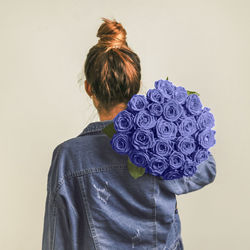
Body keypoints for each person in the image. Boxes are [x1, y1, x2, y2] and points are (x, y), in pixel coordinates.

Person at [42, 17, 217, 250]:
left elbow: (58, 242)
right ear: (136, 85)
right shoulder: (159, 145)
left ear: (88, 88)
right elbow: (207, 169)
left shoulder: (68, 158)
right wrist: (172, 129)